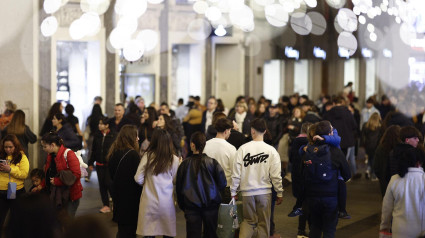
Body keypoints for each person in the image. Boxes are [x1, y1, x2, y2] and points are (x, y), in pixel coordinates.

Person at [231, 118, 284, 238]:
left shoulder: (243, 149)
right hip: (265, 192)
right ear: (265, 131)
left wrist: (233, 191)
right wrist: (279, 192)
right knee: (263, 223)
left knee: (248, 222)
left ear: (252, 131)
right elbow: (276, 175)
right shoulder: (271, 151)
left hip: (247, 192)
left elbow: (236, 174)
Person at [302, 121, 351, 238]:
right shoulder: (336, 152)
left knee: (315, 227)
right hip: (331, 197)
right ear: (330, 134)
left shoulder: (308, 150)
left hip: (312, 196)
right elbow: (347, 174)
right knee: (329, 230)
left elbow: (302, 173)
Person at [176, 132, 227, 238]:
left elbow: (179, 187)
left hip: (191, 207)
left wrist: (183, 205)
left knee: (192, 235)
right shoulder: (212, 162)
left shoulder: (185, 164)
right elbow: (223, 183)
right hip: (211, 206)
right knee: (211, 234)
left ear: (192, 145)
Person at [134, 128, 180, 238]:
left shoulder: (148, 156)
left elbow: (137, 178)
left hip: (149, 202)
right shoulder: (174, 159)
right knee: (167, 233)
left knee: (149, 233)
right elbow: (175, 180)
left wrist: (146, 183)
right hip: (166, 203)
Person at [380, 147, 425, 238]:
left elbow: (386, 208)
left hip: (399, 231)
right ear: (418, 163)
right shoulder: (423, 179)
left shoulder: (394, 180)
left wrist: (384, 227)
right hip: (421, 231)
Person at [108, 125, 142, 238]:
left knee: (122, 230)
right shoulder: (133, 155)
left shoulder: (114, 152)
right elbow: (138, 179)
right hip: (131, 202)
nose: (138, 139)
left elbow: (111, 175)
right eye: (136, 136)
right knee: (129, 232)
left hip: (118, 198)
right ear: (131, 137)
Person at [41, 132, 82, 217]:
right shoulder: (50, 155)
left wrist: (58, 181)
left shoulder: (68, 154)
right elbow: (48, 173)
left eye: (45, 146)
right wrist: (42, 185)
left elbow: (76, 174)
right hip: (56, 194)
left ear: (52, 145)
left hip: (70, 195)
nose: (43, 149)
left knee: (67, 222)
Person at [203, 118, 236, 204]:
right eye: (229, 130)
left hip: (207, 186)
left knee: (209, 215)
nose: (230, 133)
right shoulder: (231, 148)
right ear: (226, 131)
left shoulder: (205, 145)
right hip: (225, 188)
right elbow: (234, 171)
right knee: (224, 216)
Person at [0, 134, 29, 230]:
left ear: (15, 146)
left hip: (16, 190)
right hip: (1, 191)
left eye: (10, 147)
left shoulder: (22, 157)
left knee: (17, 219)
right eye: (5, 147)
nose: (8, 149)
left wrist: (10, 170)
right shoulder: (1, 154)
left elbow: (24, 174)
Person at [88, 116, 117, 213]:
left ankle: (116, 204)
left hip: (109, 165)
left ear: (107, 125)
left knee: (110, 184)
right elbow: (94, 150)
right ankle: (106, 205)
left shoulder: (113, 135)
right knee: (102, 185)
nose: (99, 125)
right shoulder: (97, 135)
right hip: (99, 164)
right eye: (99, 123)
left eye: (101, 124)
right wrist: (91, 162)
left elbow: (116, 150)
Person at [373, 125, 401, 197]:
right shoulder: (402, 150)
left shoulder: (380, 148)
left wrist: (381, 177)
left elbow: (376, 167)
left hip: (384, 181)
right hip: (399, 181)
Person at [360, 112, 382, 180]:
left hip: (368, 145)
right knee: (374, 160)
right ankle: (373, 175)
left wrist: (362, 144)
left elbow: (363, 136)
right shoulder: (380, 126)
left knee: (369, 158)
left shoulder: (366, 125)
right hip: (376, 145)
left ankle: (368, 170)